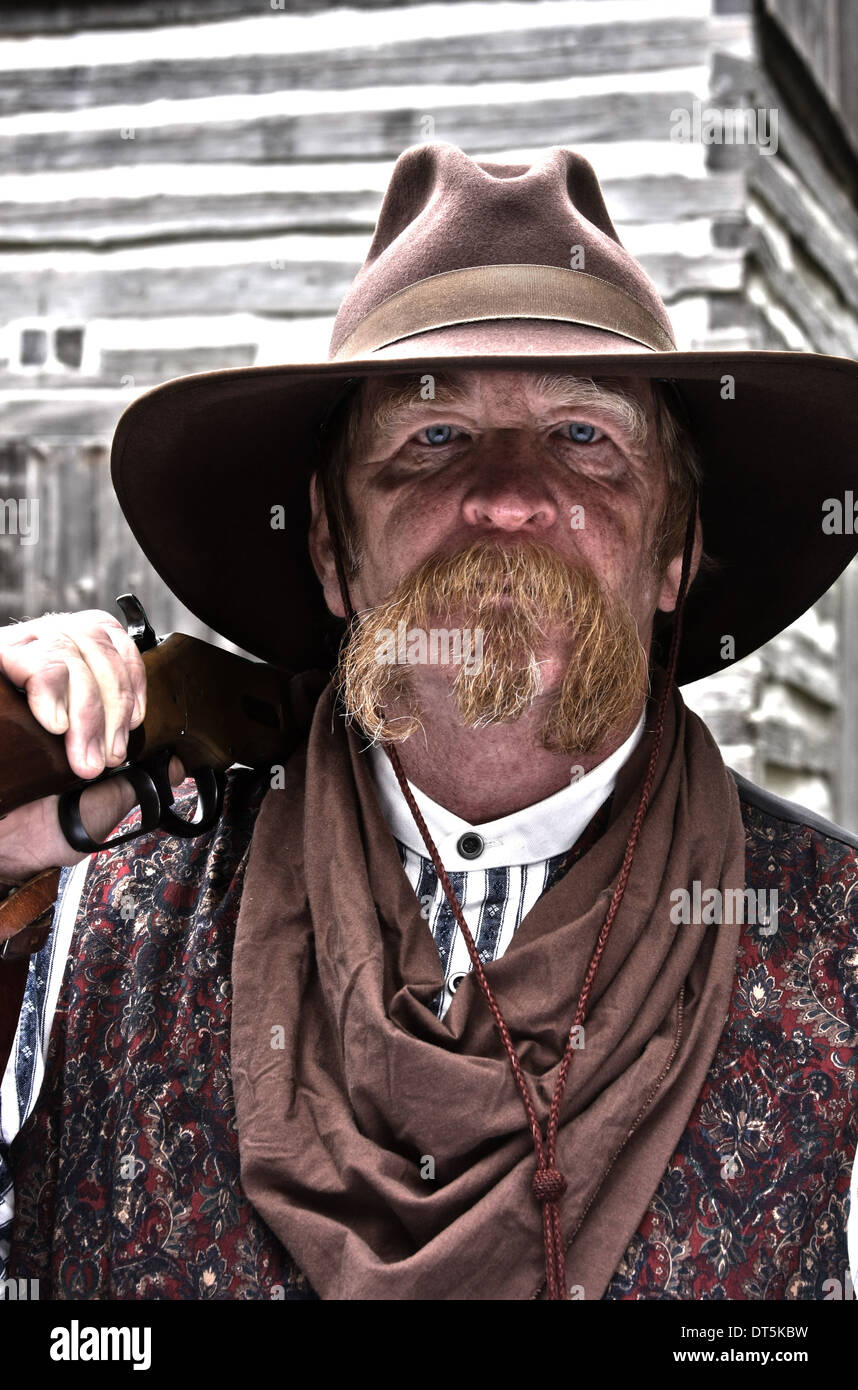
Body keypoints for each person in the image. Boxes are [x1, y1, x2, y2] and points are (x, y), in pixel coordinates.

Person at [0, 142, 856, 1301]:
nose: (507, 496)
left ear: (675, 550)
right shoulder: (93, 902)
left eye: (585, 438)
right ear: (329, 547)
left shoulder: (836, 950)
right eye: (432, 438)